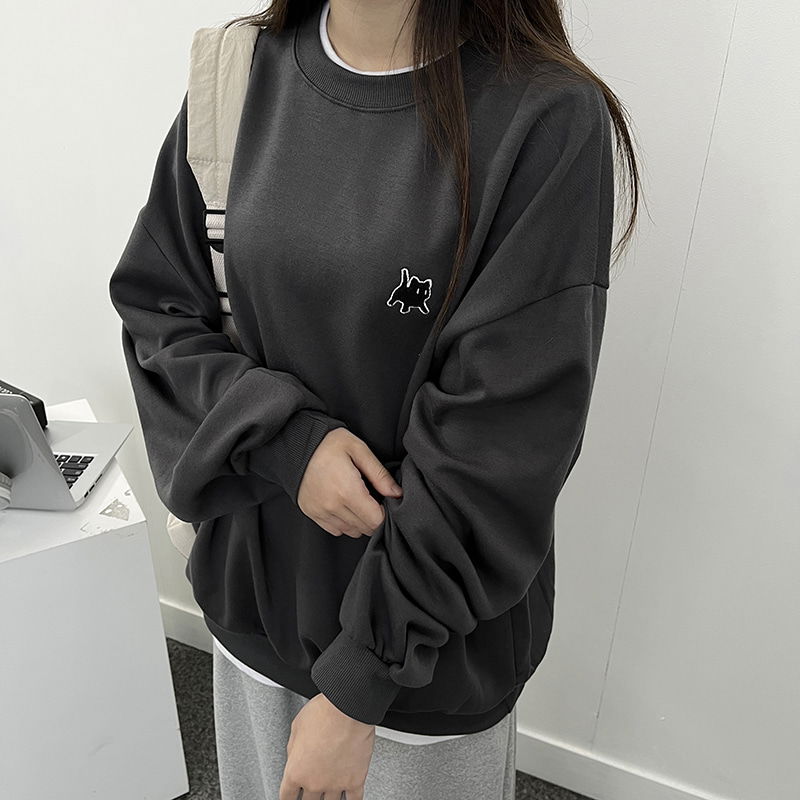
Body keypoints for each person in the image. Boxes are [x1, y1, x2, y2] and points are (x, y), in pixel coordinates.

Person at [109, 0, 640, 797]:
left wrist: (360, 681)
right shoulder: (239, 70)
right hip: (254, 612)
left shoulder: (544, 117)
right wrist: (287, 442)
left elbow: (505, 440)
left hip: (422, 668)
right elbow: (160, 311)